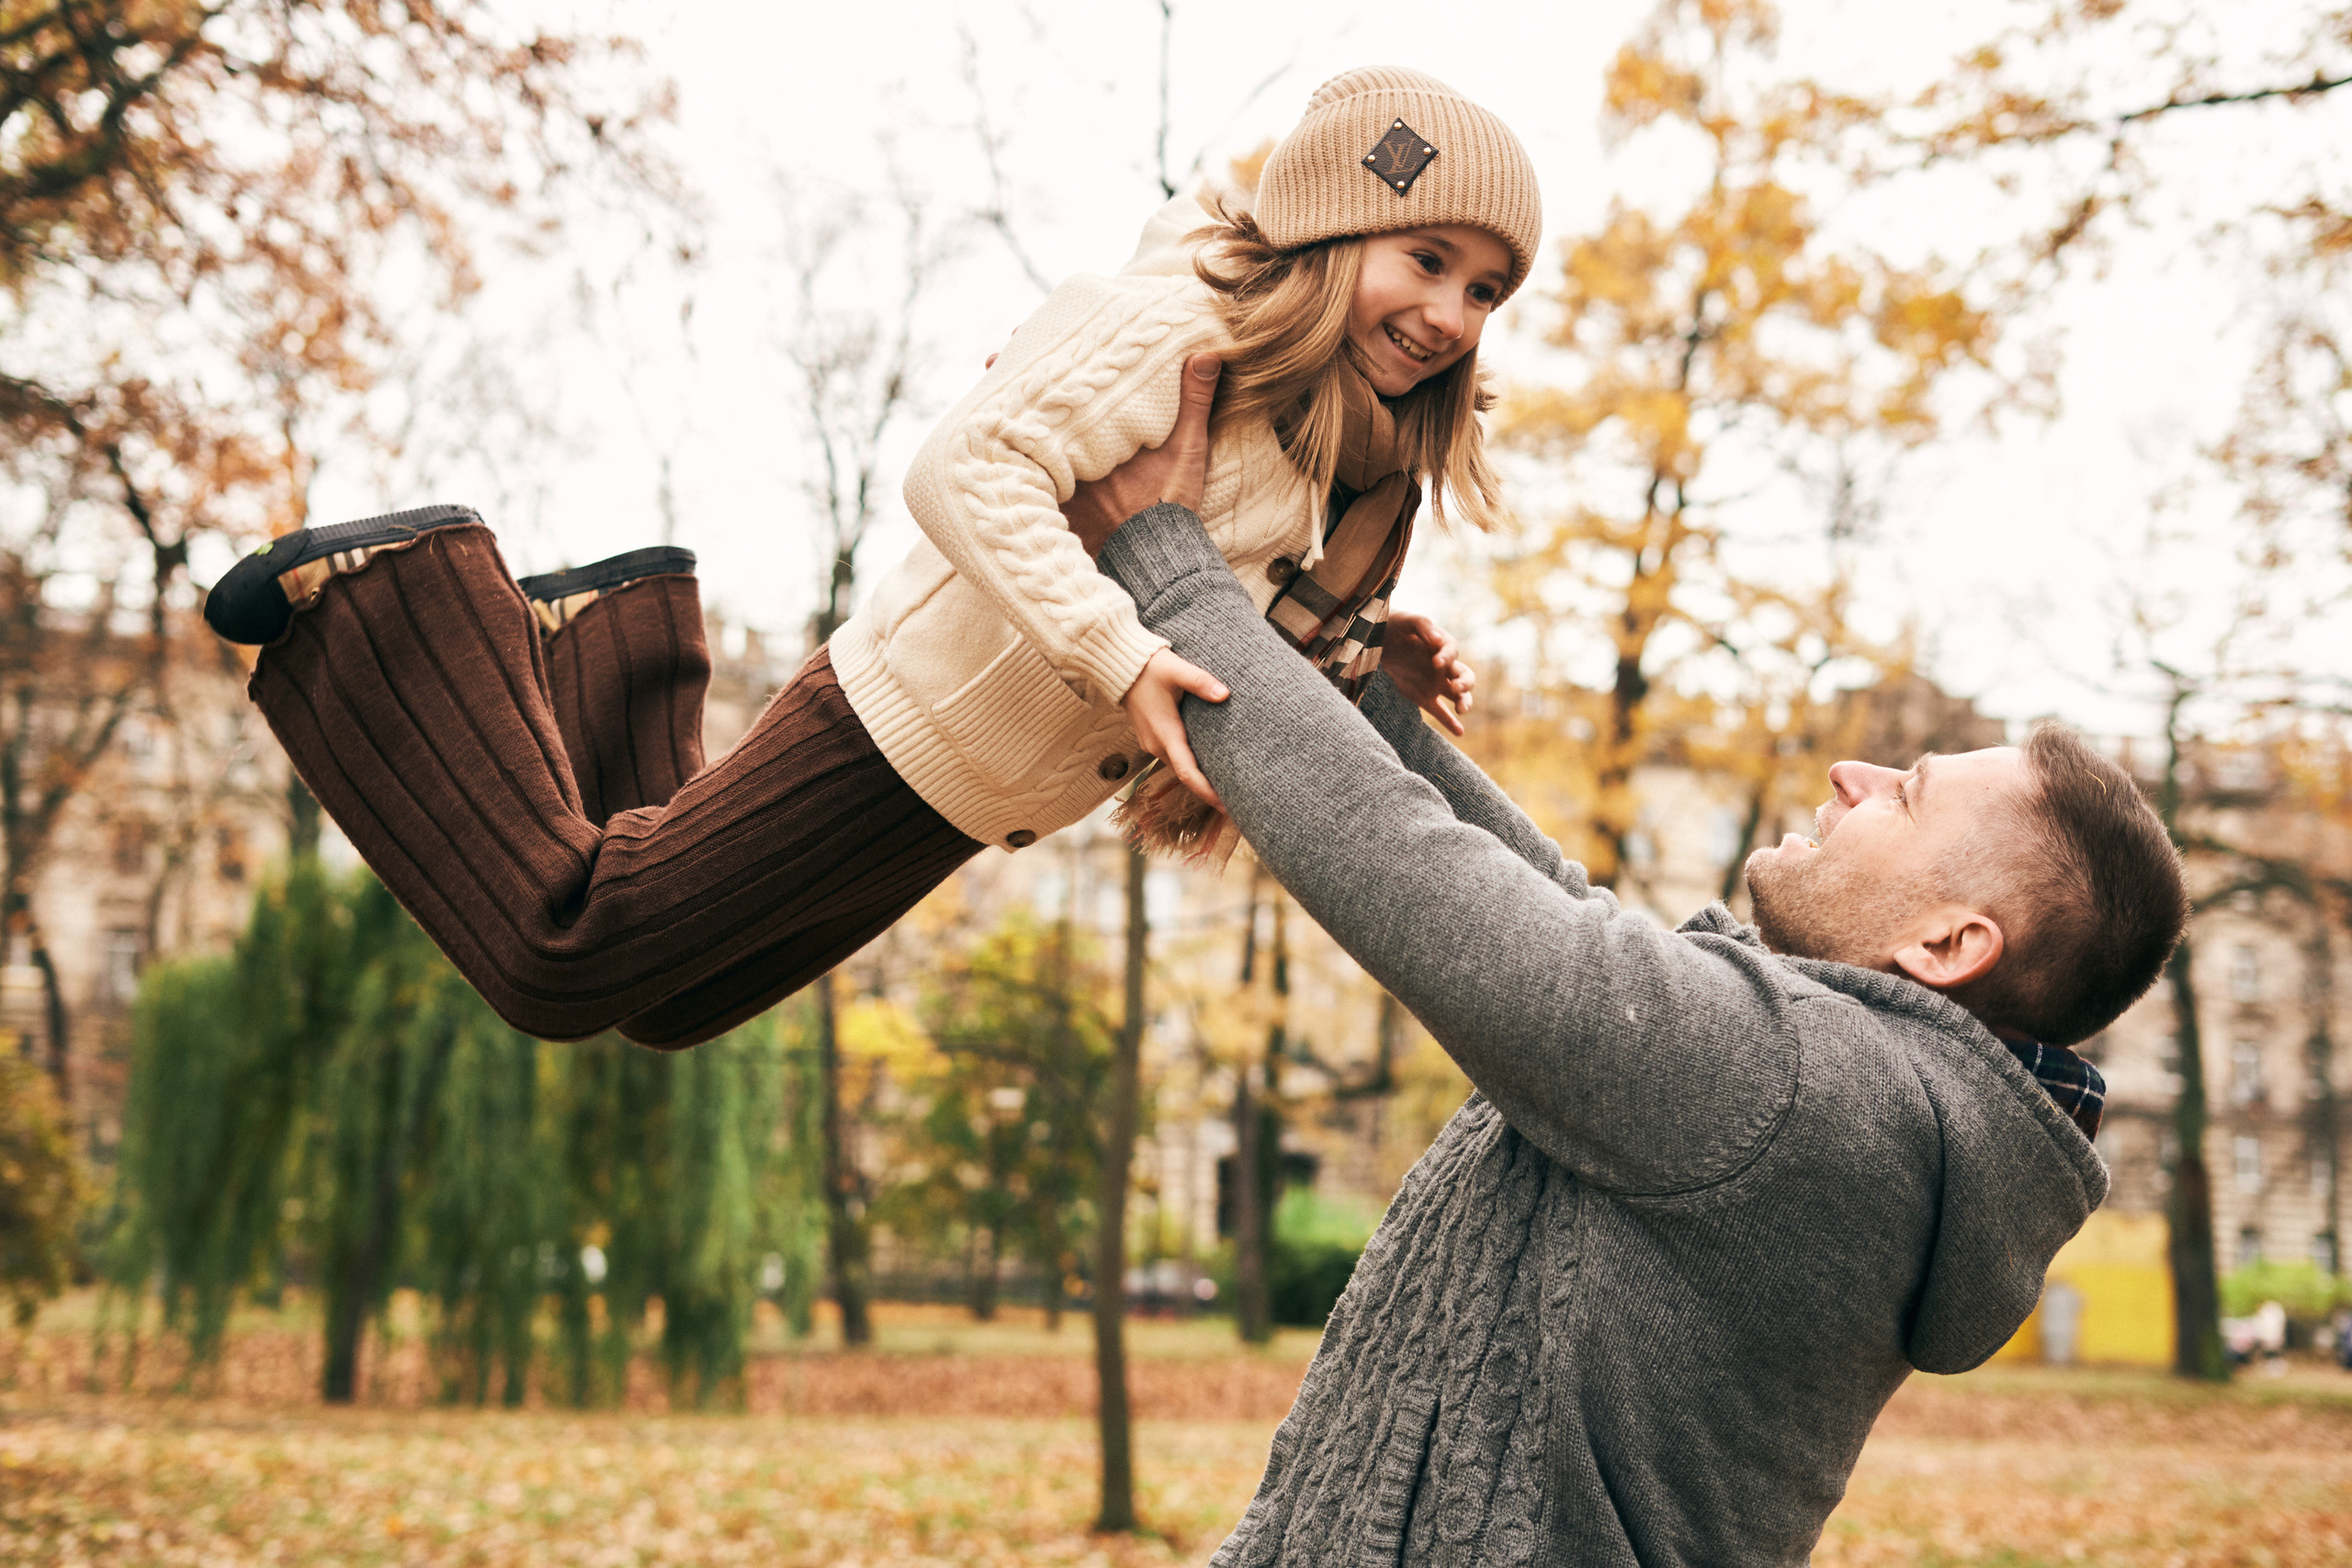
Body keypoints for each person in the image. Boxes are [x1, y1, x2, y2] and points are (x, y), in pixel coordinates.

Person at [1068, 352, 2189, 1566]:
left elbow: (1424, 884)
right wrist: (1355, 690)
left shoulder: (1816, 1098)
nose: (1850, 778)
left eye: (1902, 798)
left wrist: (1167, 565)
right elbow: (1559, 917)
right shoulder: (1850, 1100)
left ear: (1949, 944)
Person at [198, 67, 1531, 1049]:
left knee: (675, 1005)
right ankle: (395, 594)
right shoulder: (1179, 334)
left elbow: (1205, 590)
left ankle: (623, 635)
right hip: (894, 729)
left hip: (958, 797)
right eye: (1427, 258)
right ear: (1332, 225)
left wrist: (1366, 651)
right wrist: (1116, 653)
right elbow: (964, 467)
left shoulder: (1315, 441)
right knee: (565, 957)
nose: (1450, 317)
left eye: (1485, 292)